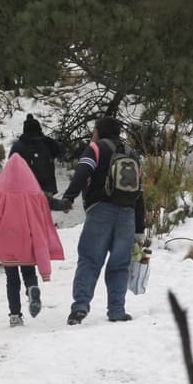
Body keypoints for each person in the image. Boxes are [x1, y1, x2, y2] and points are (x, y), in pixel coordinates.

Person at [61, 116, 146, 325]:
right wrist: (139, 228)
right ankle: (117, 310)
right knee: (120, 264)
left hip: (100, 211)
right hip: (127, 214)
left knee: (90, 260)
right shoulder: (132, 154)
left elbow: (83, 171)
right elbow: (139, 192)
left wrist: (69, 197)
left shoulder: (96, 148)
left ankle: (80, 307)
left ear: (98, 131)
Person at [0, 153, 65, 327]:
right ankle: (32, 289)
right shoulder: (34, 193)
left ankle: (15, 315)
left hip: (6, 241)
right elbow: (49, 203)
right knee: (29, 272)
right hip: (27, 239)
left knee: (12, 279)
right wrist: (65, 204)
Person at [9, 114, 70, 211]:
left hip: (27, 188)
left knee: (29, 214)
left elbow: (11, 167)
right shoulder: (48, 142)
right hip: (47, 187)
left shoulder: (18, 146)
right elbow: (63, 151)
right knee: (44, 213)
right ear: (39, 129)